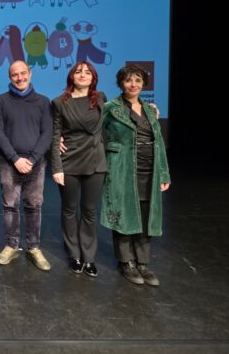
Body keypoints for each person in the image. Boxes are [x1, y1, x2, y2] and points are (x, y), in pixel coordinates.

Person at [101, 64, 171, 286]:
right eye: (129, 80)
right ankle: (126, 263)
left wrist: (163, 173)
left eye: (138, 80)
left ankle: (143, 263)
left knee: (144, 215)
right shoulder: (111, 108)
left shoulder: (150, 110)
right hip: (122, 169)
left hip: (148, 170)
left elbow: (158, 141)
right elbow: (93, 132)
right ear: (121, 83)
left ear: (143, 84)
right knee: (124, 214)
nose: (133, 84)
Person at [0, 61, 53, 271]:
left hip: (37, 163)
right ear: (10, 77)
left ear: (30, 73)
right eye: (15, 75)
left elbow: (47, 133)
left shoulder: (43, 102)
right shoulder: (0, 101)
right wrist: (15, 158)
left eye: (23, 73)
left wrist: (33, 159)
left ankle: (33, 247)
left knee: (34, 206)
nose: (19, 78)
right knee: (10, 206)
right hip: (9, 163)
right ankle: (11, 245)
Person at [50, 62, 107, 277]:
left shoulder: (101, 98)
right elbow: (56, 136)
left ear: (93, 78)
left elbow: (119, 114)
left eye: (87, 72)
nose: (82, 75)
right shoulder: (59, 102)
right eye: (78, 72)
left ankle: (89, 258)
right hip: (69, 161)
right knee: (69, 210)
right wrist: (56, 167)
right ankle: (74, 255)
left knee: (90, 212)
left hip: (96, 161)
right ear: (71, 76)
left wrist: (151, 109)